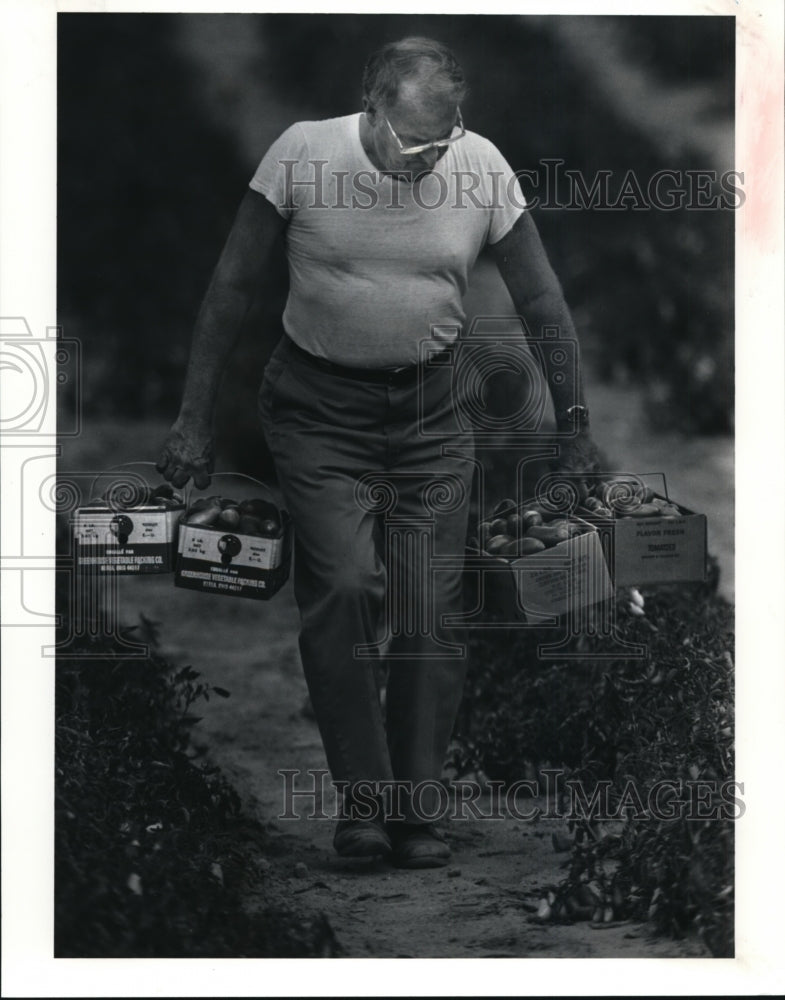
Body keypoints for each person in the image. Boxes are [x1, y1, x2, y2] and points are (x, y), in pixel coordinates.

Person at [157, 37, 599, 869]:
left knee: (432, 610)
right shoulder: (301, 153)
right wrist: (193, 418)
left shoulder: (480, 167)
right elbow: (233, 286)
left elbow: (541, 297)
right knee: (347, 587)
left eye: (444, 138)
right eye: (413, 144)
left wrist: (573, 423)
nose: (430, 158)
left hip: (432, 415)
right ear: (370, 107)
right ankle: (364, 802)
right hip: (318, 411)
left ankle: (415, 808)